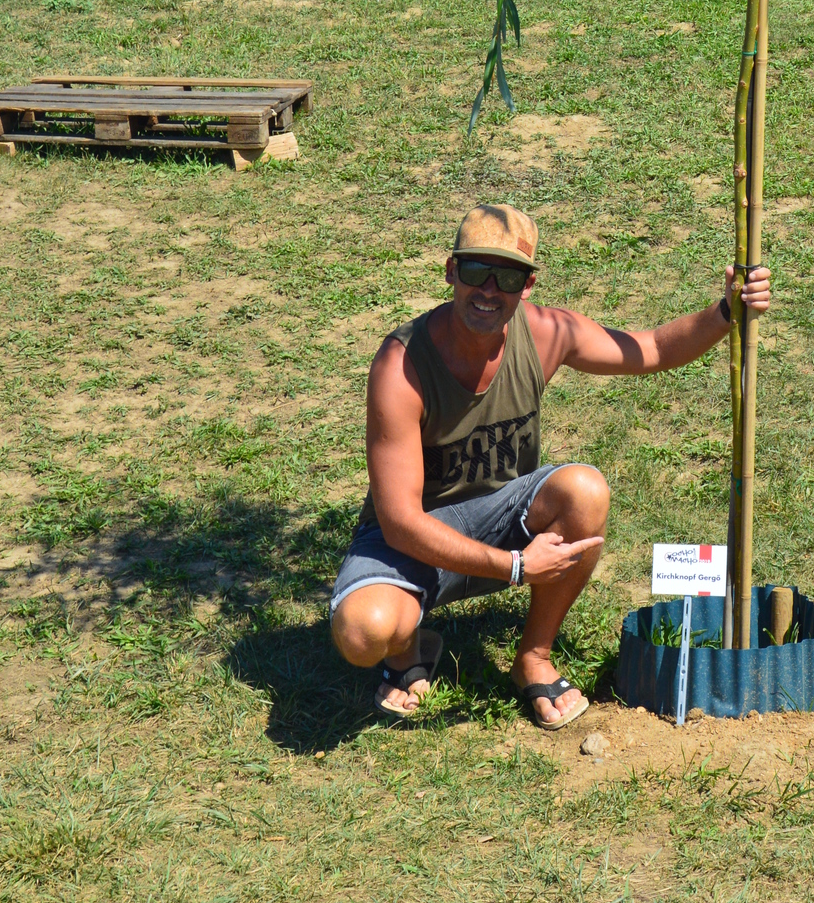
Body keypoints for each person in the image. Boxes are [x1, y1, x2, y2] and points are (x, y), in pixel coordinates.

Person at [329, 202, 771, 730]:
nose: (489, 290)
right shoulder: (400, 364)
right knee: (363, 633)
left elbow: (649, 349)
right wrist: (516, 568)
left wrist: (726, 312)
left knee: (584, 491)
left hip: (499, 518)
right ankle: (404, 650)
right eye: (475, 271)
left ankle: (533, 657)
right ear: (451, 271)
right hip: (410, 538)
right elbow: (400, 521)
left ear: (529, 284)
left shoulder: (546, 333)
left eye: (508, 276)